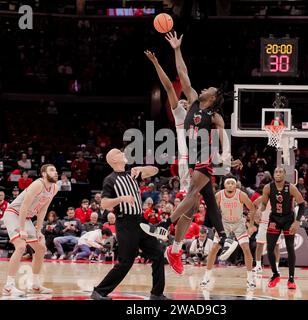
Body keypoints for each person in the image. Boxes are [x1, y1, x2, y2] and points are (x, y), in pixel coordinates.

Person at [141, 31, 242, 275]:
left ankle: (170, 232)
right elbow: (179, 77)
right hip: (189, 159)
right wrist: (175, 50)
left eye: (211, 88)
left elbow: (223, 137)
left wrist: (225, 159)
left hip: (202, 158)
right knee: (198, 200)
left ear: (214, 97)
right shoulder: (187, 105)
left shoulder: (213, 115)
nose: (204, 87)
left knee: (198, 200)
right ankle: (214, 237)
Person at [91, 148, 168, 300]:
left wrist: (142, 169)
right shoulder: (110, 179)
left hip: (140, 222)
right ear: (114, 160)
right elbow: (105, 203)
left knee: (158, 254)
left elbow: (155, 170)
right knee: (126, 261)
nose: (123, 154)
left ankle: (157, 294)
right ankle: (99, 292)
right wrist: (121, 199)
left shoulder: (132, 173)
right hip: (125, 223)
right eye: (119, 153)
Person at [1, 164, 58, 297]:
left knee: (41, 248)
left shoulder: (54, 188)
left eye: (56, 170)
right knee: (21, 246)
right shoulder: (37, 184)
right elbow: (24, 206)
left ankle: (36, 285)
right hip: (14, 213)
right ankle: (8, 287)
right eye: (51, 170)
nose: (55, 172)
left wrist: (38, 230)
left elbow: (43, 209)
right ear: (43, 174)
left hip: (26, 217)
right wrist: (22, 229)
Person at [144, 50, 190, 193]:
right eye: (180, 102)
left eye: (185, 102)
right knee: (186, 195)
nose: (183, 104)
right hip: (187, 158)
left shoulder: (196, 112)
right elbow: (169, 87)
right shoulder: (179, 114)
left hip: (202, 157)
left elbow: (184, 74)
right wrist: (156, 63)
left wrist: (177, 50)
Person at [200, 176, 257, 290]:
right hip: (224, 224)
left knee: (246, 249)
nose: (230, 185)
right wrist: (216, 226)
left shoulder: (241, 195)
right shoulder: (219, 195)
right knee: (214, 249)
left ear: (235, 185)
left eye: (232, 183)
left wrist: (251, 225)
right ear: (225, 185)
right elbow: (213, 211)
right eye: (228, 183)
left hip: (238, 223)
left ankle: (250, 279)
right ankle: (206, 277)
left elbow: (252, 208)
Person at [256, 167, 306, 289]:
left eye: (280, 172)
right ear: (273, 174)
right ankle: (275, 274)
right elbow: (263, 203)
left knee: (290, 248)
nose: (278, 174)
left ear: (284, 175)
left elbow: (302, 204)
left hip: (288, 219)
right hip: (274, 218)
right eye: (276, 172)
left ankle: (291, 279)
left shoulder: (291, 187)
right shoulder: (268, 187)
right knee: (270, 247)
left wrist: (297, 222)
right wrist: (259, 210)